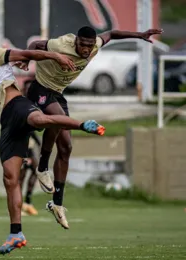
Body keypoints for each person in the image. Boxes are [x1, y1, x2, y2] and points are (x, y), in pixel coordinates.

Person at [0, 32, 105, 255]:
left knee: (40, 119)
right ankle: (16, 234)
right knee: (10, 178)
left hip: (17, 105)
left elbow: (27, 52)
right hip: (6, 124)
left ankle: (83, 125)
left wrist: (55, 57)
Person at [15, 26, 163, 229]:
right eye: (82, 45)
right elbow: (35, 45)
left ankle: (57, 204)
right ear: (76, 41)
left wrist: (139, 35)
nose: (86, 50)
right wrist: (26, 58)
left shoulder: (95, 45)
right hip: (40, 87)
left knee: (66, 147)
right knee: (58, 119)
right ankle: (42, 168)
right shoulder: (61, 45)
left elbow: (111, 34)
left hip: (57, 93)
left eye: (89, 46)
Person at [20, 131, 41, 216]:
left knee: (36, 172)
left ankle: (27, 202)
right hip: (22, 154)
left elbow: (39, 142)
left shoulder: (30, 128)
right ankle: (19, 205)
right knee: (20, 179)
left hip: (28, 153)